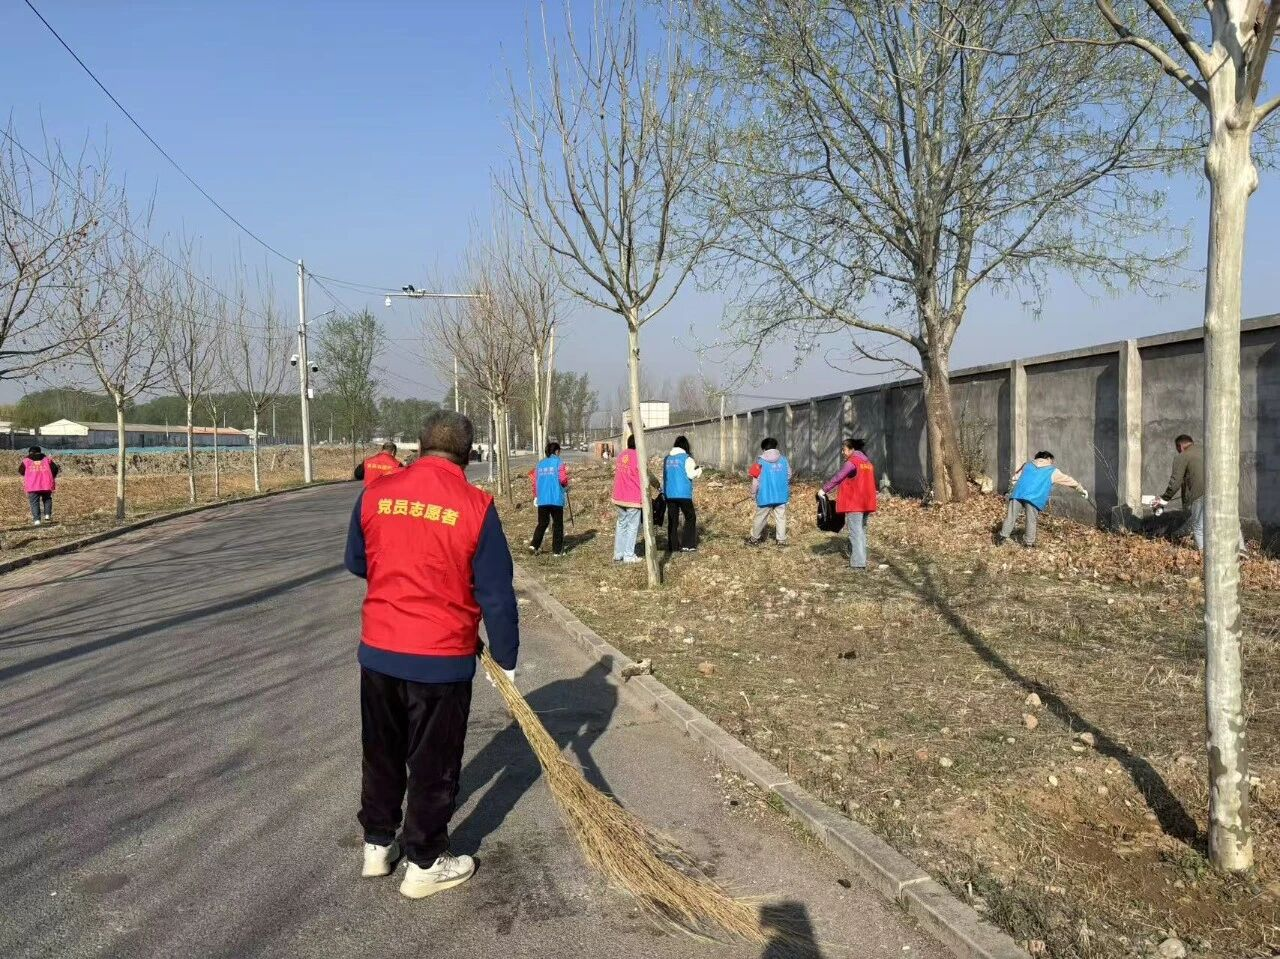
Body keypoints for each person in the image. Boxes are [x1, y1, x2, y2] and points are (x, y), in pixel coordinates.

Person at [343, 410, 519, 900]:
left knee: (381, 751)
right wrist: (506, 659)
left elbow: (357, 560)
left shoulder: (376, 494)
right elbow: (496, 595)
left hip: (379, 652)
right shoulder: (476, 507)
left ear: (419, 448)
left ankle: (378, 843)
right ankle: (425, 861)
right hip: (440, 660)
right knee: (433, 762)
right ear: (468, 455)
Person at [1153, 433, 1245, 553]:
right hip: (1223, 490)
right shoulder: (1208, 451)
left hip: (1200, 494)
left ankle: (1203, 554)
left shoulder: (1182, 456)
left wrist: (1164, 499)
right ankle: (1241, 549)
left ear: (1180, 447)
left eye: (1178, 449)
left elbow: (1175, 483)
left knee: (1198, 527)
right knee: (1231, 521)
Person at [997, 451, 1088, 547]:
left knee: (1010, 517)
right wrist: (1081, 489)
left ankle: (1001, 538)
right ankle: (1028, 544)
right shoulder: (1052, 470)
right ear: (1048, 458)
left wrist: (1013, 489)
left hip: (1017, 493)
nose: (1052, 462)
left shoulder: (1027, 465)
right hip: (1034, 498)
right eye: (1052, 460)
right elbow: (1068, 480)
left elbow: (1015, 478)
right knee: (1031, 520)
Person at [820, 438, 878, 570]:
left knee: (855, 533)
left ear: (852, 449)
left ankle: (858, 564)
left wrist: (824, 490)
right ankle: (861, 560)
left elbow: (838, 477)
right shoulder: (867, 463)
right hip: (866, 502)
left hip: (855, 503)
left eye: (844, 450)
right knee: (861, 531)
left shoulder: (852, 462)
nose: (842, 452)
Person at [611, 435, 657, 563]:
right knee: (632, 526)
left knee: (621, 524)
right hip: (632, 497)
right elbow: (647, 475)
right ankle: (629, 555)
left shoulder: (621, 455)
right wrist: (657, 485)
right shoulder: (639, 457)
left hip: (619, 496)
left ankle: (618, 554)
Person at [746, 437, 791, 546]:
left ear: (764, 449)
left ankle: (754, 540)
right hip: (781, 495)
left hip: (765, 496)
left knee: (760, 518)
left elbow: (755, 481)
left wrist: (753, 493)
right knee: (781, 518)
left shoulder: (759, 462)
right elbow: (789, 474)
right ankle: (781, 541)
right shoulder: (784, 460)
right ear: (775, 447)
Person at [529, 441, 569, 556]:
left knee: (542, 523)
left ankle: (534, 545)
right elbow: (563, 479)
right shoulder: (558, 462)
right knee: (558, 525)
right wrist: (566, 485)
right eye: (559, 451)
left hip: (543, 499)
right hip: (556, 499)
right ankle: (557, 551)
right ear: (556, 451)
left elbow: (535, 483)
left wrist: (536, 496)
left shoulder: (540, 464)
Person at [663, 435, 702, 553]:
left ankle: (673, 546)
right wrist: (699, 470)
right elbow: (691, 474)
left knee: (672, 520)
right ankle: (688, 545)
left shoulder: (667, 459)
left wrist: (663, 492)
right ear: (686, 446)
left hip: (670, 494)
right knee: (690, 517)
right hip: (683, 494)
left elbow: (665, 476)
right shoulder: (687, 458)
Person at [19, 446, 59, 527]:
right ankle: (47, 515)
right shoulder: (47, 460)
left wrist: (29, 474)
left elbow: (21, 471)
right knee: (47, 499)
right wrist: (51, 476)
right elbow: (55, 469)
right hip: (46, 483)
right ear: (40, 451)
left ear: (30, 452)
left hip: (32, 485)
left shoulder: (26, 461)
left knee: (34, 502)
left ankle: (37, 520)